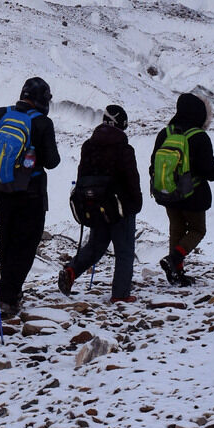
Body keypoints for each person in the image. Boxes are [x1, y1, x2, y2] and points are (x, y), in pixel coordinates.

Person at [0, 76, 60, 317]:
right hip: (32, 192)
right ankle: (10, 296)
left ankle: (7, 292)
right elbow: (52, 162)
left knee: (8, 241)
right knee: (27, 244)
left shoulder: (0, 114)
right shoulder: (43, 123)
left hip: (3, 189)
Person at [57, 105, 143, 302]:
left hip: (95, 205)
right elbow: (132, 180)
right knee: (124, 251)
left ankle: (71, 271)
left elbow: (82, 175)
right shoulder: (124, 148)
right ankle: (120, 296)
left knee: (96, 246)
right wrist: (135, 204)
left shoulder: (89, 145)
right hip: (120, 207)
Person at [150, 92, 214, 286]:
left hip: (167, 192)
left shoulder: (166, 133)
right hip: (192, 195)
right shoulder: (199, 137)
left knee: (176, 230)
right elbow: (209, 172)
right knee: (197, 229)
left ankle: (176, 273)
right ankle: (174, 260)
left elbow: (153, 162)